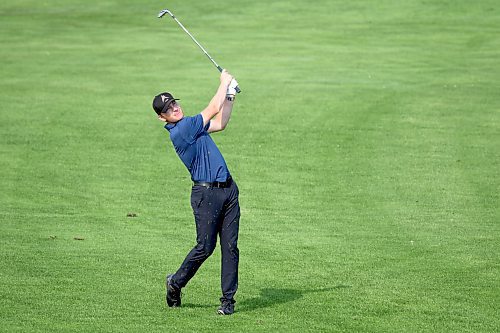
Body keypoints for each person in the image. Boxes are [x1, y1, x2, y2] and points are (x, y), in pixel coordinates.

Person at [151, 70, 240, 315]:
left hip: (229, 190)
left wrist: (230, 95)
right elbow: (213, 107)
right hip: (206, 196)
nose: (174, 109)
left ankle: (228, 302)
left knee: (230, 247)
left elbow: (221, 122)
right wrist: (224, 82)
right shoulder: (182, 130)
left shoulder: (191, 124)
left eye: (174, 103)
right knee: (205, 247)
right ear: (162, 118)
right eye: (168, 109)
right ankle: (175, 282)